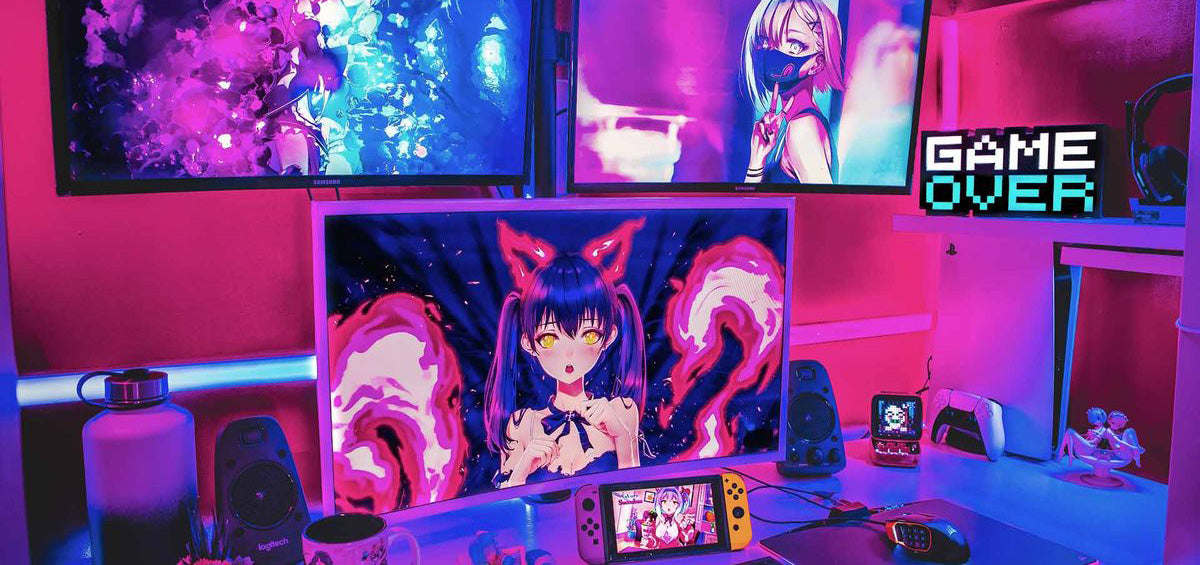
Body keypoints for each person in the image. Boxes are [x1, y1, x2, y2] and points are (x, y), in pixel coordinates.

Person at [485, 220, 648, 488]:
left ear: (609, 337)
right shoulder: (522, 423)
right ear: (529, 343)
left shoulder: (622, 410)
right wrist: (521, 470)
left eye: (589, 335)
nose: (570, 353)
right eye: (549, 338)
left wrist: (622, 436)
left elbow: (635, 498)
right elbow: (507, 509)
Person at [741, 0, 846, 184]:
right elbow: (750, 201)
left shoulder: (802, 128)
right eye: (764, 42)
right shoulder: (790, 123)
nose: (773, 54)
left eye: (795, 46)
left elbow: (824, 201)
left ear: (817, 63)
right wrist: (757, 160)